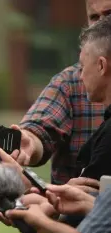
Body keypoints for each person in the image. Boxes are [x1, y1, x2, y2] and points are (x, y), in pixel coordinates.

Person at [13, 0, 111, 188]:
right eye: (94, 17)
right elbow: (40, 127)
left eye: (109, 15)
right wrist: (28, 142)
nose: (101, 24)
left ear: (102, 66)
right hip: (71, 216)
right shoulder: (71, 82)